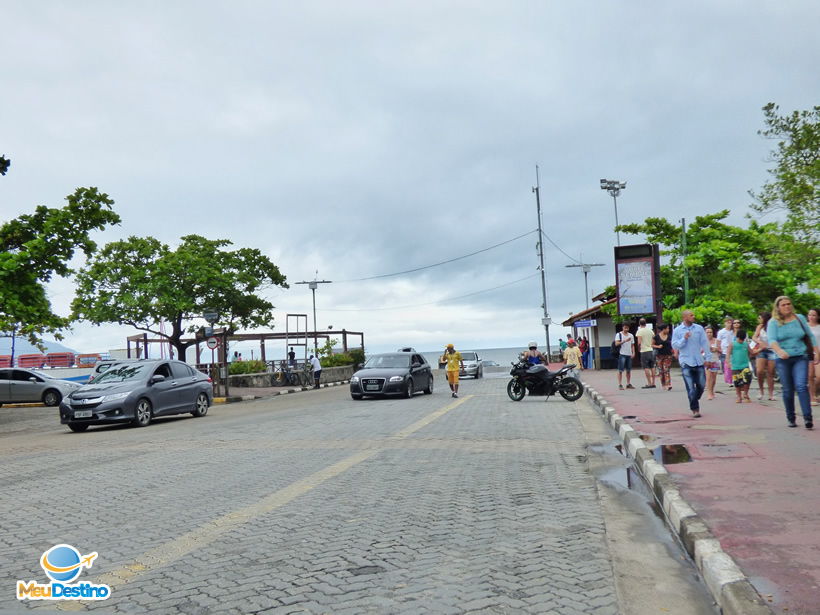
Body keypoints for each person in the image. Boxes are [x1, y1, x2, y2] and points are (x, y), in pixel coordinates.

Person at [767, 296, 818, 429]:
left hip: (800, 356)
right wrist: (779, 351)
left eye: (789, 304)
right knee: (788, 389)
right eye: (783, 305)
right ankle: (791, 417)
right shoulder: (773, 322)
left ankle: (808, 417)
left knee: (801, 386)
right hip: (783, 359)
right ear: (778, 307)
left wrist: (816, 352)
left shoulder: (799, 318)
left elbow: (810, 335)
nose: (787, 307)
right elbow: (771, 340)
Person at [671, 310, 711, 418]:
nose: (694, 317)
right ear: (684, 317)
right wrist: (684, 338)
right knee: (690, 388)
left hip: (698, 360)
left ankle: (694, 397)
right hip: (685, 361)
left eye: (694, 314)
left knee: (702, 385)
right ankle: (695, 409)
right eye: (691, 315)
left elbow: (705, 343)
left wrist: (708, 358)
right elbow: (675, 345)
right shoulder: (678, 330)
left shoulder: (699, 328)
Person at [752, 312, 776, 401]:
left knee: (770, 372)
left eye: (760, 317)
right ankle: (761, 390)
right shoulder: (760, 327)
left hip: (771, 350)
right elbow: (754, 337)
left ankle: (771, 393)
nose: (759, 319)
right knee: (759, 371)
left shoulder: (772, 326)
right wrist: (760, 342)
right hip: (762, 350)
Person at [726, 328, 752, 403]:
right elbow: (728, 354)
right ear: (737, 337)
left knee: (747, 379)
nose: (741, 341)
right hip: (735, 366)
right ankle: (739, 396)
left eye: (742, 340)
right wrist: (728, 362)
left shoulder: (746, 344)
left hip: (745, 365)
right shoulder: (732, 344)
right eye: (740, 339)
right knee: (737, 382)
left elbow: (751, 352)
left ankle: (745, 394)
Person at [653, 323, 674, 391]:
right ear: (663, 329)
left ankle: (668, 384)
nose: (668, 330)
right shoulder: (656, 337)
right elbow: (652, 345)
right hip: (659, 355)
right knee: (661, 370)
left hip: (668, 355)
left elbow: (672, 344)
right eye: (667, 328)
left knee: (666, 369)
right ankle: (663, 384)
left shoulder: (669, 336)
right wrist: (658, 346)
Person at [614, 323, 636, 390]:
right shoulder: (619, 334)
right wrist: (624, 341)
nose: (626, 329)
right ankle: (620, 384)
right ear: (622, 327)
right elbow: (616, 343)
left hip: (629, 354)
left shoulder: (631, 335)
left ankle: (628, 383)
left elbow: (632, 345)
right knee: (620, 370)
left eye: (627, 328)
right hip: (622, 354)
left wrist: (633, 352)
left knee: (628, 370)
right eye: (625, 327)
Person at [635, 318, 656, 389]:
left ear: (639, 323)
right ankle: (653, 382)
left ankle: (649, 383)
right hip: (651, 350)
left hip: (644, 351)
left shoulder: (639, 331)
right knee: (652, 366)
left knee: (646, 367)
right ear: (645, 323)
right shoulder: (650, 331)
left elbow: (639, 342)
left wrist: (638, 348)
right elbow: (653, 340)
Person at [703, 325, 721, 400]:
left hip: (715, 360)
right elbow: (699, 351)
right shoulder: (702, 341)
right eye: (707, 332)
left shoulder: (717, 340)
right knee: (708, 377)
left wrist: (716, 349)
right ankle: (709, 393)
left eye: (710, 332)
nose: (709, 334)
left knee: (714, 378)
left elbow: (721, 351)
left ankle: (712, 390)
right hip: (706, 360)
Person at [716, 317, 734, 386]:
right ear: (725, 323)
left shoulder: (733, 331)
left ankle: (733, 379)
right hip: (724, 351)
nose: (729, 324)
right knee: (727, 367)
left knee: (732, 366)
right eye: (727, 322)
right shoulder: (721, 332)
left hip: (733, 351)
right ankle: (729, 380)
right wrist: (719, 349)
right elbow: (718, 341)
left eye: (730, 323)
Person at [808, 308, 820, 405]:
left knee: (819, 376)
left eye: (813, 315)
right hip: (808, 353)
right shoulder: (805, 327)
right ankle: (812, 397)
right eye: (810, 315)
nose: (811, 317)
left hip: (818, 353)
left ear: (818, 316)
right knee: (810, 376)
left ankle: (815, 393)